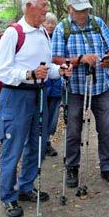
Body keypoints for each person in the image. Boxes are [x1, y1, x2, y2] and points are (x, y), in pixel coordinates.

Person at [0, 0, 72, 217]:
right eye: (43, 5)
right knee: (13, 147)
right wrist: (29, 74)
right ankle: (8, 196)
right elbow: (2, 71)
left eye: (47, 4)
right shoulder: (13, 33)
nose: (47, 9)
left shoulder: (43, 33)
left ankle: (26, 187)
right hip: (16, 97)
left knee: (38, 144)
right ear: (29, 6)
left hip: (40, 94)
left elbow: (47, 68)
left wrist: (61, 70)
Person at [51, 0, 109, 188]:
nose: (83, 14)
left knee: (106, 128)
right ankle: (72, 166)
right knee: (73, 130)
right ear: (69, 9)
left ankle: (107, 167)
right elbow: (55, 58)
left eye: (86, 10)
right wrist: (79, 59)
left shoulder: (97, 23)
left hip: (101, 87)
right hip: (74, 88)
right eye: (79, 10)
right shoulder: (61, 28)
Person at [43, 12, 60, 157]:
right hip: (41, 84)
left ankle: (46, 142)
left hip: (56, 85)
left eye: (52, 23)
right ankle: (38, 143)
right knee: (40, 115)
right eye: (47, 22)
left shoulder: (59, 39)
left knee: (52, 116)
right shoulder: (39, 38)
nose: (50, 25)